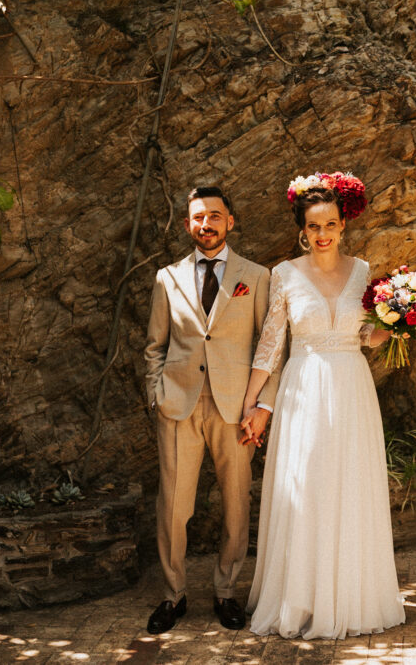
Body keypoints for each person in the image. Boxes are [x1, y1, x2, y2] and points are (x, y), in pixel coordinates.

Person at [240, 172, 406, 639]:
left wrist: (400, 320)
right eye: (314, 227)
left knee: (350, 485)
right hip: (304, 389)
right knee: (308, 485)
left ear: (342, 225)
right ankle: (304, 598)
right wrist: (251, 404)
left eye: (330, 224)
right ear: (302, 229)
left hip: (352, 387)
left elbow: (367, 339)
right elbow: (271, 347)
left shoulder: (362, 270)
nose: (323, 234)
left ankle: (351, 598)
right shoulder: (285, 275)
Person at [143, 187, 278, 634]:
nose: (206, 224)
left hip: (235, 408)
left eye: (215, 216)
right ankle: (172, 595)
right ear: (188, 225)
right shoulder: (168, 277)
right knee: (173, 506)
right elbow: (154, 346)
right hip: (178, 407)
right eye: (198, 218)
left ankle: (226, 591)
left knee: (236, 503)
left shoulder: (256, 277)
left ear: (230, 222)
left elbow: (271, 346)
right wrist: (156, 396)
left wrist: (261, 406)